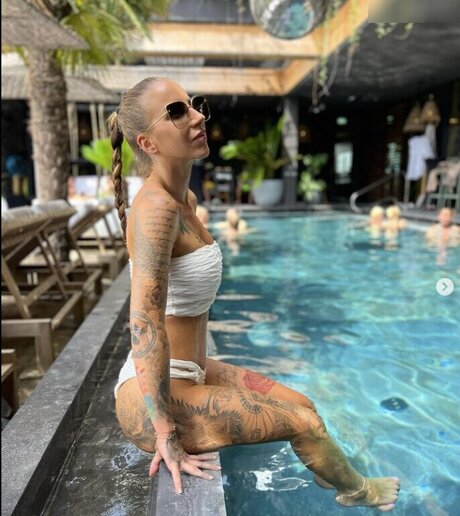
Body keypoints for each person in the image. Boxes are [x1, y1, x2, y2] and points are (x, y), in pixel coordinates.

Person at [108, 77, 400, 510]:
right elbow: (144, 322)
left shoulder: (185, 199)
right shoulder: (156, 210)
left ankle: (328, 470)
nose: (198, 116)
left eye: (193, 104)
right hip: (154, 398)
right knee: (304, 425)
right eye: (177, 112)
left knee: (304, 405)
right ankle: (358, 492)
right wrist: (165, 433)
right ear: (147, 143)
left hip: (189, 370)